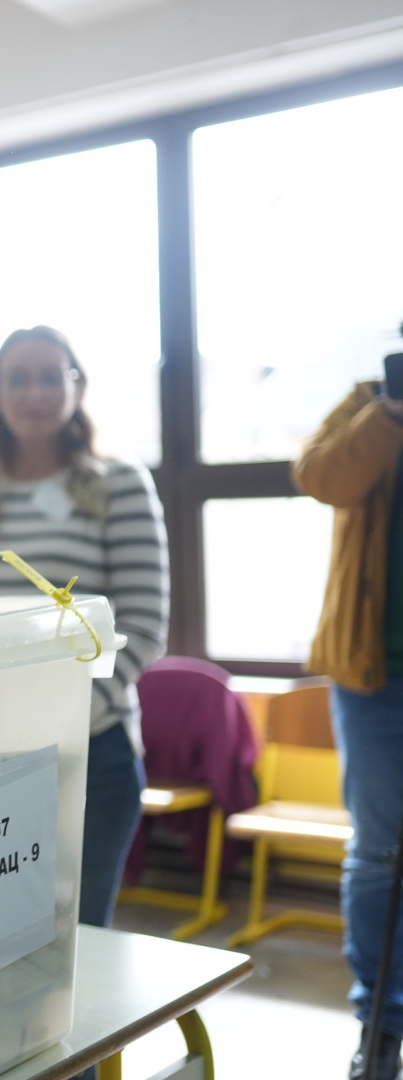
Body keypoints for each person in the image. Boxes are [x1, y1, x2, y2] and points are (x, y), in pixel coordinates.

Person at [0, 325, 170, 929]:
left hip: (90, 752)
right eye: (18, 378)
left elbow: (143, 623)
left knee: (73, 940)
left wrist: (66, 715)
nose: (33, 393)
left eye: (48, 377)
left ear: (76, 386)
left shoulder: (118, 483)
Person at [296, 377, 403, 1080]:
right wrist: (390, 413)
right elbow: (321, 477)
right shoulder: (370, 402)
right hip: (375, 675)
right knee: (377, 854)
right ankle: (381, 1026)